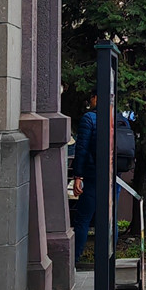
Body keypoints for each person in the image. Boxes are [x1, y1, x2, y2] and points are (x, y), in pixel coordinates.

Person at [68, 94, 98, 264]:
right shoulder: (117, 118)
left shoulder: (89, 118)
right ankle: (106, 261)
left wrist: (78, 176)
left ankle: (75, 260)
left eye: (92, 98)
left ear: (96, 98)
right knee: (110, 218)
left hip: (92, 176)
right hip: (114, 178)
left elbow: (82, 149)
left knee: (83, 219)